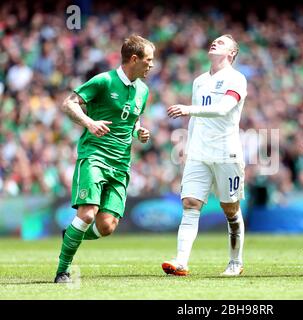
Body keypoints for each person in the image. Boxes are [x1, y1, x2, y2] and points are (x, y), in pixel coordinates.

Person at [54, 35, 154, 283]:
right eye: (148, 60)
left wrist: (138, 131)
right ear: (134, 59)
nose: (152, 65)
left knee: (107, 226)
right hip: (95, 157)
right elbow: (68, 103)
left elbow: (130, 119)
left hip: (121, 164)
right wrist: (90, 122)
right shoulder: (103, 81)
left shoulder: (143, 90)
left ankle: (70, 234)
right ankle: (62, 271)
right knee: (88, 214)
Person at [162, 34, 247, 276]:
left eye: (221, 43)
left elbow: (223, 109)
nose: (214, 43)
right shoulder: (199, 81)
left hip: (226, 153)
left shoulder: (236, 79)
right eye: (214, 41)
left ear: (231, 53)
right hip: (198, 153)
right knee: (190, 204)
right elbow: (197, 122)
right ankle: (181, 262)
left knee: (230, 209)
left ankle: (235, 262)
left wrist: (188, 109)